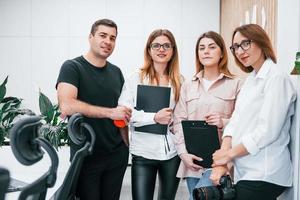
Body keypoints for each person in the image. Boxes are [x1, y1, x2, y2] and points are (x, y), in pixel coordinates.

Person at [211, 24, 297, 200]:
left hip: (266, 173)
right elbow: (234, 122)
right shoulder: (250, 80)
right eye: (235, 47)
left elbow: (267, 131)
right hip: (246, 172)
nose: (240, 51)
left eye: (245, 43)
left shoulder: (276, 78)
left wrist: (228, 155)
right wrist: (224, 157)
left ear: (260, 41)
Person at [56, 19, 132, 200]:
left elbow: (120, 111)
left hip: (116, 156)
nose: (108, 41)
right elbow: (67, 105)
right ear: (90, 37)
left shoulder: (116, 72)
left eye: (113, 38)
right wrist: (110, 112)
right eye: (103, 35)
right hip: (86, 157)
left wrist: (127, 145)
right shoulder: (72, 67)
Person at [172, 31, 241, 199]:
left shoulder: (236, 84)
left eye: (211, 47)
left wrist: (223, 122)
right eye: (201, 48)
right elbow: (178, 123)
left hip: (220, 163)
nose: (206, 51)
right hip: (192, 164)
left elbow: (243, 121)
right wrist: (183, 154)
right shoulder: (188, 85)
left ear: (222, 53)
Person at [125, 29, 183, 200]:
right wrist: (154, 118)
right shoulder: (135, 78)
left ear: (173, 51)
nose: (161, 49)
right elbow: (126, 114)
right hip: (143, 153)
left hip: (172, 154)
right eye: (156, 45)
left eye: (166, 45)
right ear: (149, 50)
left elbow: (181, 117)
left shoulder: (179, 81)